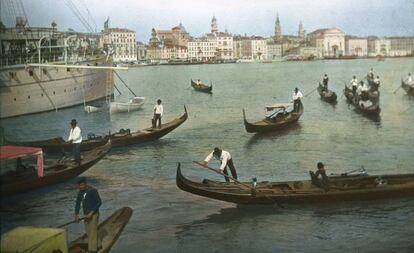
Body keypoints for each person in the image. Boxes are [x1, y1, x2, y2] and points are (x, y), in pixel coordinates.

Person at [75, 177, 102, 253]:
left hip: (94, 214)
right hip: (86, 215)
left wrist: (91, 212)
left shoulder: (92, 190)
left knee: (92, 232)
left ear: (85, 184)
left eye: (82, 185)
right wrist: (76, 214)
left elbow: (99, 202)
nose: (81, 187)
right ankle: (99, 245)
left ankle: (92, 250)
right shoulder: (80, 192)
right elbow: (77, 204)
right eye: (79, 186)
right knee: (88, 231)